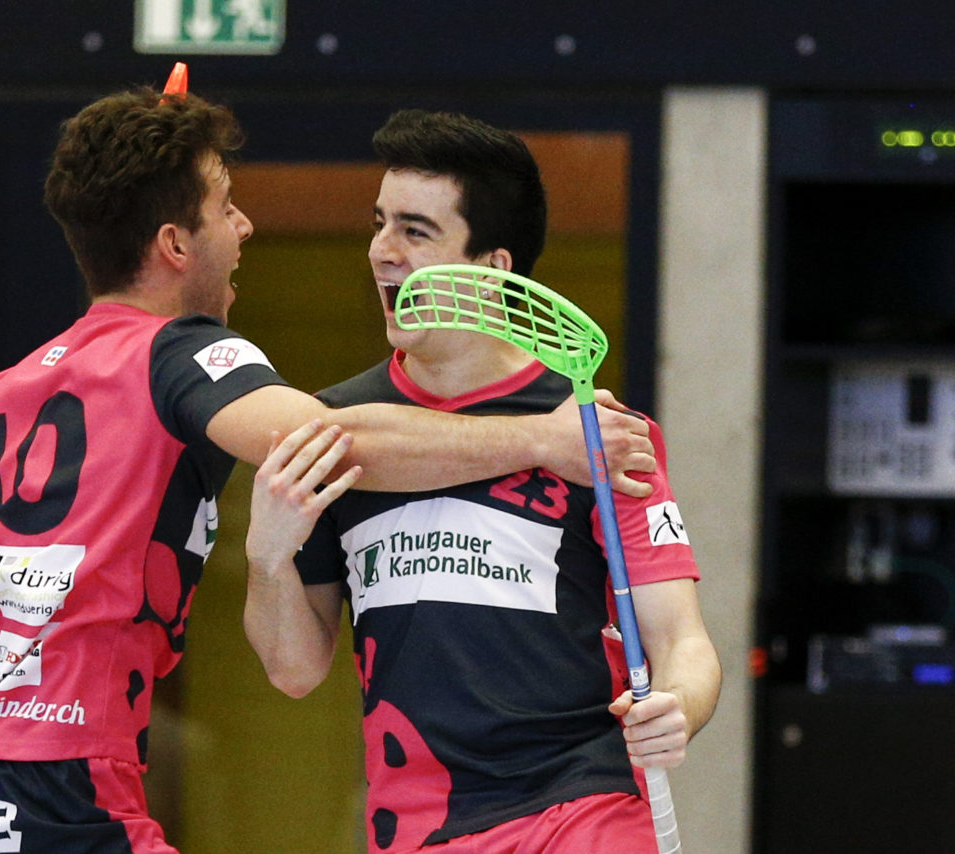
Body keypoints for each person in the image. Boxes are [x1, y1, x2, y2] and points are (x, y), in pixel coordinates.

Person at [0, 86, 657, 854]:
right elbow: (331, 443)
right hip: (56, 775)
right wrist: (542, 441)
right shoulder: (184, 355)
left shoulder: (12, 387)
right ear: (175, 245)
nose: (245, 225)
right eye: (225, 206)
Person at [244, 109, 722, 853]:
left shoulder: (601, 433)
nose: (382, 251)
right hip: (419, 825)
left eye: (416, 231)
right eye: (379, 223)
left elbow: (682, 639)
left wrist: (678, 706)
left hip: (580, 806)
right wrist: (268, 559)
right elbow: (294, 670)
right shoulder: (337, 428)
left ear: (492, 269)